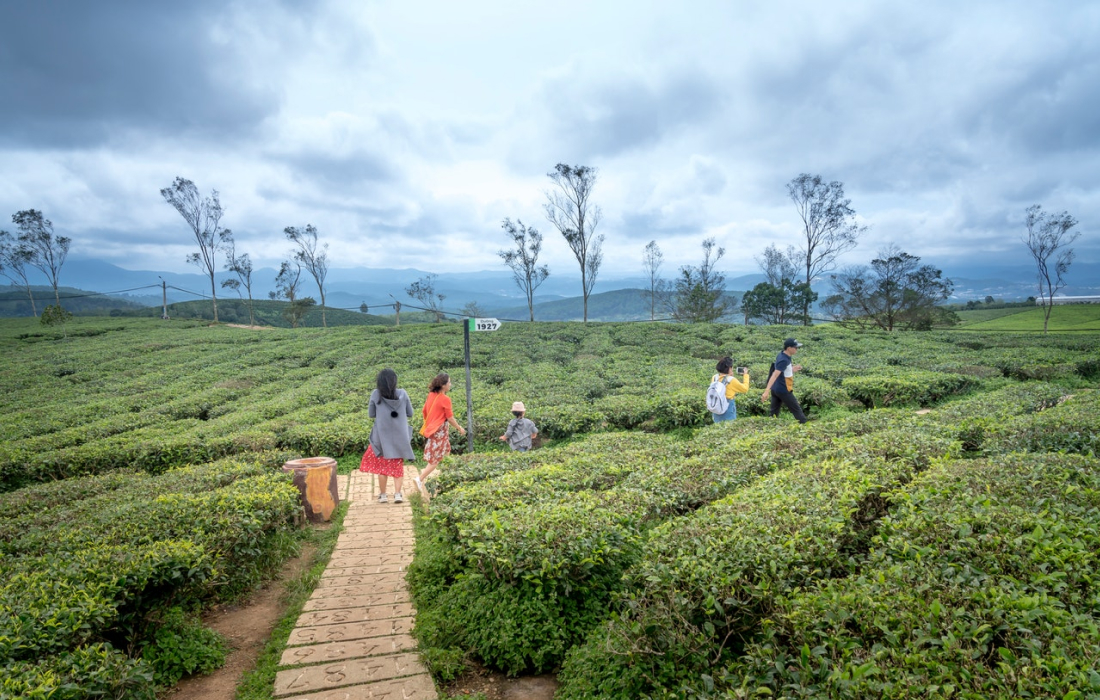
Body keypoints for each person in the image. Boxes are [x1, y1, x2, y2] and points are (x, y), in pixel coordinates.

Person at [360, 368, 415, 503]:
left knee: (382, 467)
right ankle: (397, 494)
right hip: (400, 437)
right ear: (394, 381)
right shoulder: (403, 393)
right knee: (397, 466)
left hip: (381, 438)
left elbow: (371, 414)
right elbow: (410, 413)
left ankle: (383, 495)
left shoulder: (375, 394)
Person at [416, 372, 466, 492]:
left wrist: (432, 422)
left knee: (446, 451)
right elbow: (450, 418)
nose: (450, 384)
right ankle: (419, 478)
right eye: (449, 382)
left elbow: (425, 410)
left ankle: (446, 475)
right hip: (440, 430)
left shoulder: (431, 395)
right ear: (443, 385)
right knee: (436, 459)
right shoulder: (445, 399)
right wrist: (459, 428)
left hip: (434, 428)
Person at [761, 338, 808, 424]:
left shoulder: (782, 355)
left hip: (776, 389)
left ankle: (770, 426)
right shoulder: (784, 360)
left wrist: (792, 369)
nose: (796, 349)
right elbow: (775, 374)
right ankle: (806, 426)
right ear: (789, 348)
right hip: (783, 389)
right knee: (796, 409)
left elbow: (782, 370)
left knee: (774, 412)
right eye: (795, 347)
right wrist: (766, 391)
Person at [711, 357, 750, 423]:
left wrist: (730, 375)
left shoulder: (715, 377)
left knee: (717, 427)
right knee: (728, 426)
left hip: (716, 406)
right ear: (729, 368)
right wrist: (746, 375)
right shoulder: (732, 380)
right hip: (728, 407)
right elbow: (745, 389)